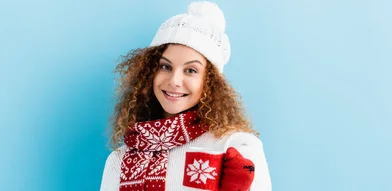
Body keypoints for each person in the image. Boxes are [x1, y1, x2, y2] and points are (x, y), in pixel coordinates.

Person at [100, 1, 272, 191]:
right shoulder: (119, 159)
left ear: (210, 82)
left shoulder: (236, 146)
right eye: (165, 66)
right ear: (149, 72)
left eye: (191, 70)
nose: (175, 80)